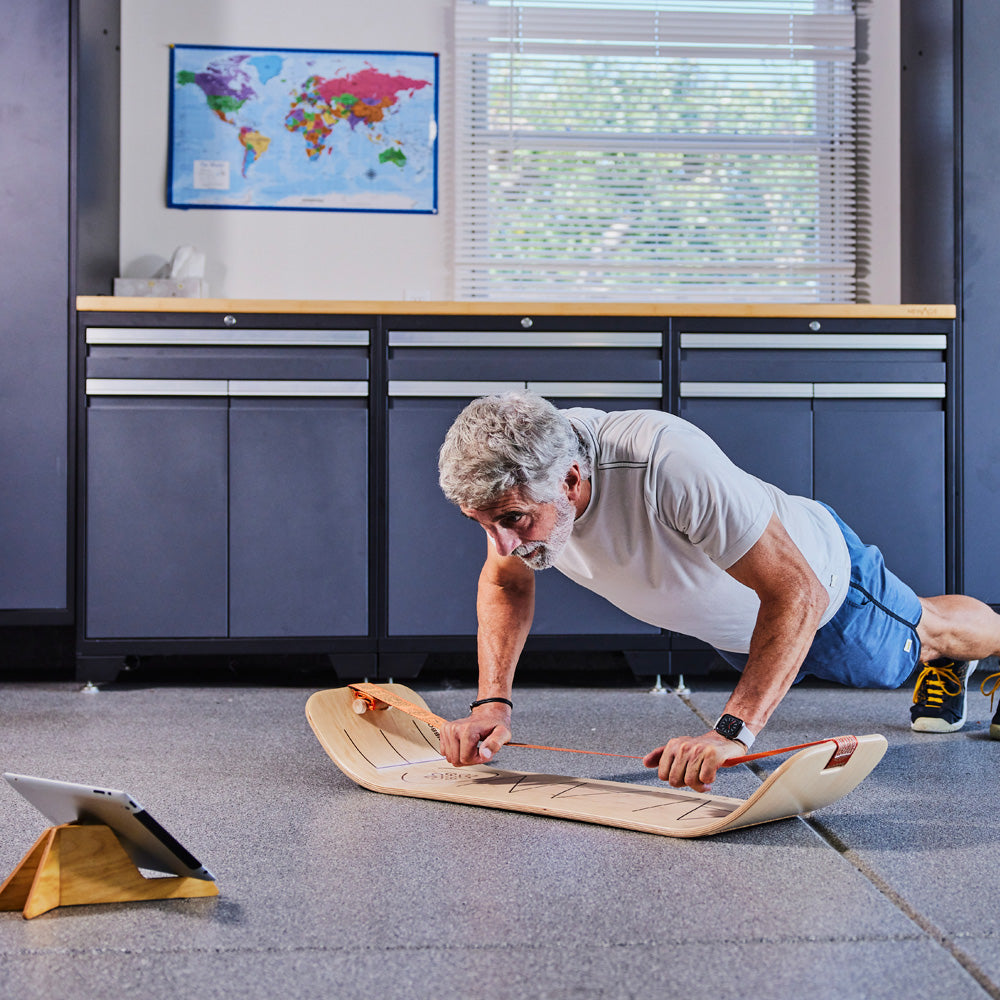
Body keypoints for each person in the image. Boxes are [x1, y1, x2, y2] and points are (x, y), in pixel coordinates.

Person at [435, 390, 1000, 792]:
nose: (501, 544)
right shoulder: (528, 475)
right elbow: (506, 582)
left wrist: (732, 732)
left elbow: (796, 592)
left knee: (927, 633)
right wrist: (491, 704)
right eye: (482, 524)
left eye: (513, 520)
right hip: (741, 619)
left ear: (573, 481)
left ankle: (961, 653)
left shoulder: (663, 462)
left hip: (822, 590)